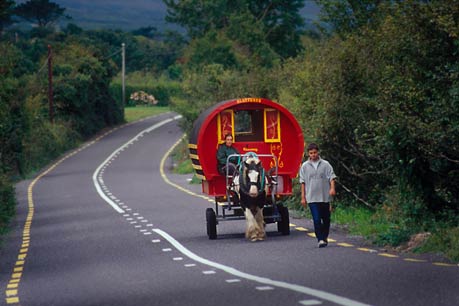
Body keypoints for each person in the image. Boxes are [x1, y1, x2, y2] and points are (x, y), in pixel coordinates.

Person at [299, 143, 337, 248]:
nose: (313, 155)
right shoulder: (305, 166)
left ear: (318, 152)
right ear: (308, 154)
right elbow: (303, 182)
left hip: (324, 196)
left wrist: (332, 188)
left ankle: (324, 237)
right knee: (316, 219)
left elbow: (331, 177)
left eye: (315, 152)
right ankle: (320, 239)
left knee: (326, 219)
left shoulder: (325, 164)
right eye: (311, 153)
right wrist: (303, 197)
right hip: (312, 197)